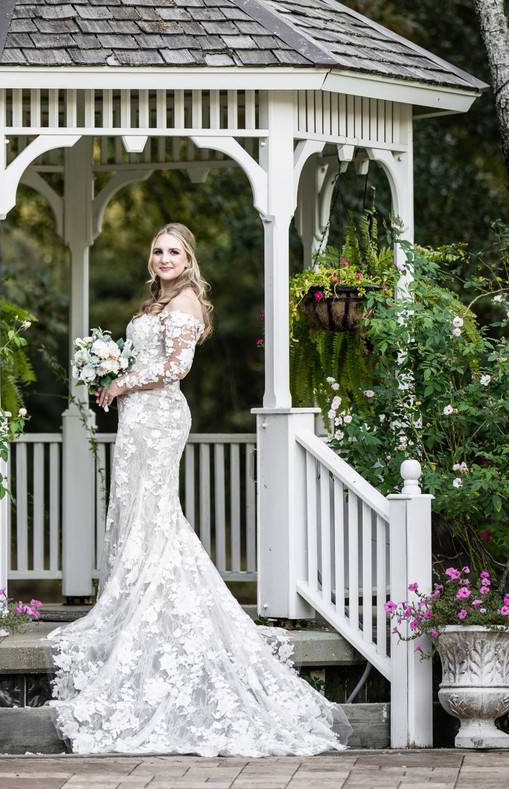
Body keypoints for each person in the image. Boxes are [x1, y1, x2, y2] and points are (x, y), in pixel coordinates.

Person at [50, 223, 350, 757]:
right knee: (134, 506)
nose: (164, 258)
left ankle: (158, 602)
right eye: (158, 250)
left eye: (174, 252)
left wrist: (122, 381)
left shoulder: (186, 303)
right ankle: (134, 598)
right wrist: (112, 368)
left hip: (160, 416)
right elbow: (149, 358)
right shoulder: (155, 301)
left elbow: (176, 368)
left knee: (155, 509)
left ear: (189, 260)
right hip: (138, 417)